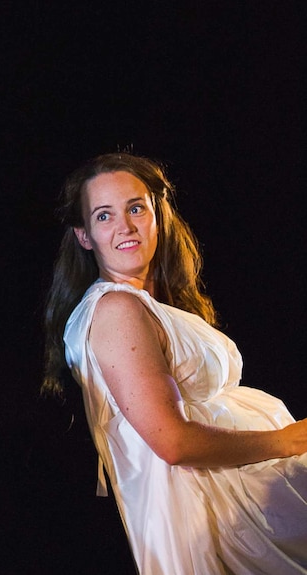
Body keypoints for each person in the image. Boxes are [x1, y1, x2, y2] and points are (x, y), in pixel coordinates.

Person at [41, 152, 307, 574]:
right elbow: (173, 442)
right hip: (213, 514)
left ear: (157, 215)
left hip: (242, 501)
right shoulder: (115, 310)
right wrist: (289, 441)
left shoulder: (146, 304)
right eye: (104, 216)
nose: (125, 227)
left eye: (135, 208)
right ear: (84, 235)